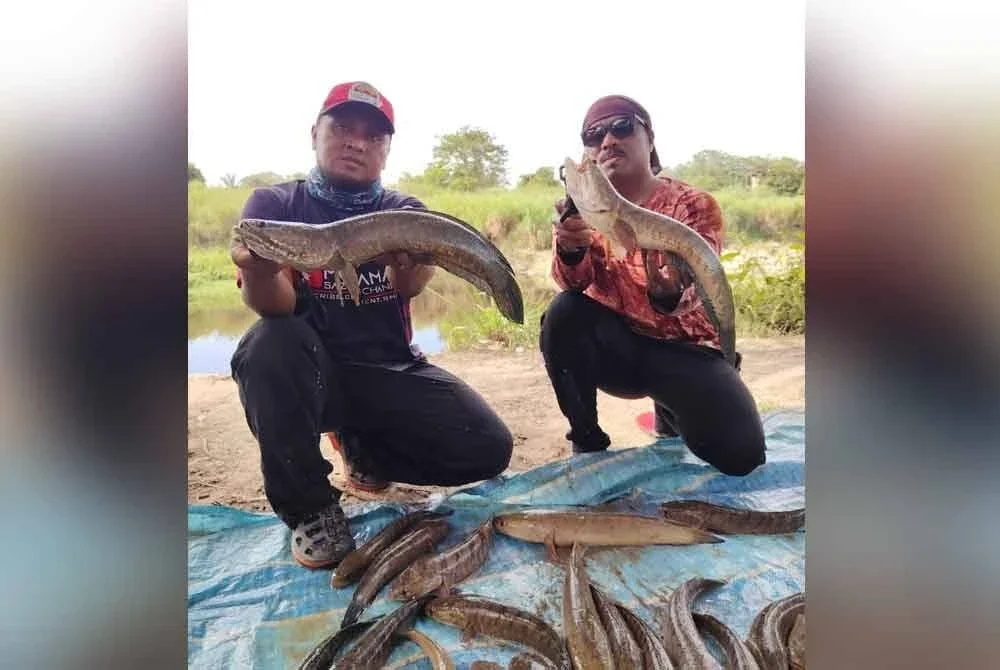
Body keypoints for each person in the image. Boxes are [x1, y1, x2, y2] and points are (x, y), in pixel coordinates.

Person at [228, 81, 514, 569]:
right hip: (314, 377)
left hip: (389, 369)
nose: (355, 142)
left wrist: (413, 262)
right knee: (268, 344)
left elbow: (410, 287)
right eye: (341, 128)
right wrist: (259, 266)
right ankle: (311, 507)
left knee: (488, 448)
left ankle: (366, 454)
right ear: (314, 133)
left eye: (372, 136)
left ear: (385, 150)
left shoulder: (405, 211)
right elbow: (272, 306)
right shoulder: (274, 208)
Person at [541, 93, 766, 476]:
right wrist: (571, 249)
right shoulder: (581, 211)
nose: (607, 141)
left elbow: (701, 289)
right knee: (564, 313)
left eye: (622, 126)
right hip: (619, 349)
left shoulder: (693, 204)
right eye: (593, 136)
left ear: (649, 138)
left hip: (684, 351)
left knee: (742, 455)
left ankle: (676, 404)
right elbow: (572, 283)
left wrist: (670, 292)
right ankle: (587, 441)